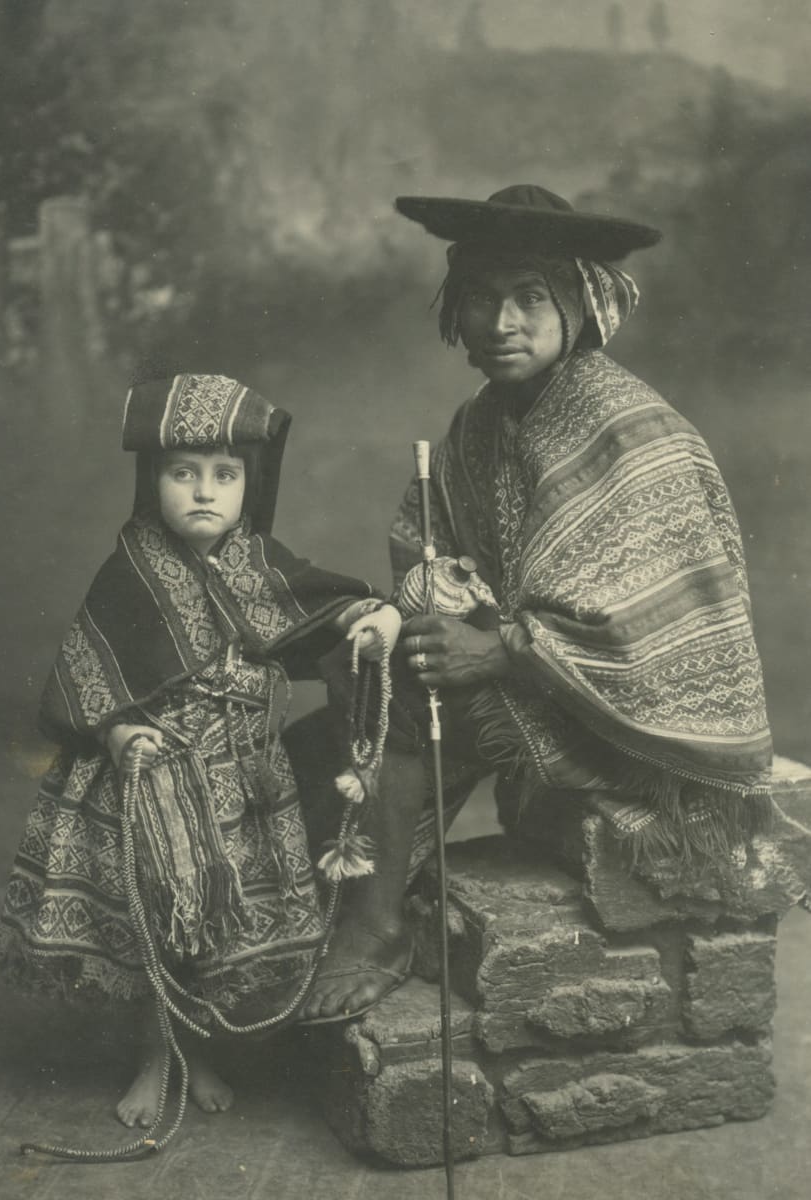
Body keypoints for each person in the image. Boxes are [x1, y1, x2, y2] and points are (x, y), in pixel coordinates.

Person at [297, 184, 773, 1023]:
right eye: (481, 297)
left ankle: (375, 929)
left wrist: (502, 648)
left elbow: (648, 622)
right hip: (546, 680)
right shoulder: (481, 422)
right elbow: (429, 544)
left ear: (581, 304)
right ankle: (308, 910)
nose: (499, 322)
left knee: (401, 697)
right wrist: (417, 607)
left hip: (645, 722)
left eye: (528, 297)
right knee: (357, 679)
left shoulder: (626, 426)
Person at [0, 373, 402, 1127]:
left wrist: (377, 621)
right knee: (161, 918)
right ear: (154, 481)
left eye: (224, 475)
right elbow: (84, 673)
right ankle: (154, 1056)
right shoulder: (133, 571)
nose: (203, 492)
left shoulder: (260, 566)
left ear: (249, 482)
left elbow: (331, 608)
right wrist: (116, 730)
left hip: (242, 780)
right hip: (151, 779)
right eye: (183, 474)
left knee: (217, 926)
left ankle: (200, 1050)